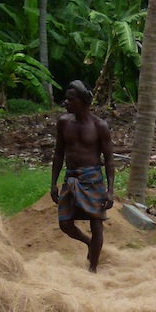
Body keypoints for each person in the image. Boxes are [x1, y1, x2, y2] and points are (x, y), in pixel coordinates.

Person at [50, 80, 115, 272]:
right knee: (65, 223)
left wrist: (110, 191)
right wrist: (53, 183)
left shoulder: (99, 126)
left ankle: (92, 269)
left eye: (71, 99)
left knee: (97, 224)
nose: (66, 103)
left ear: (83, 101)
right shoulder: (63, 123)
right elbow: (58, 153)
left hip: (92, 178)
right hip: (71, 178)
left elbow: (110, 160)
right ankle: (88, 243)